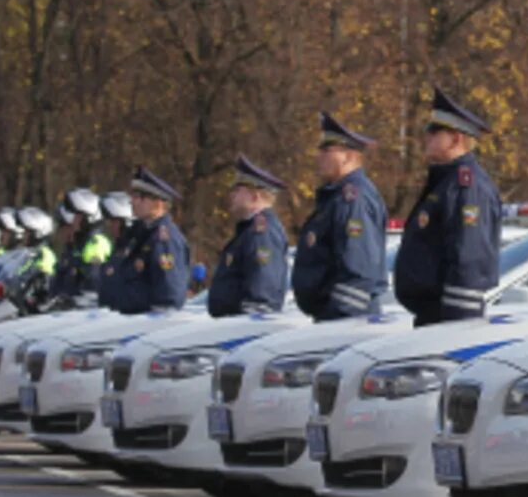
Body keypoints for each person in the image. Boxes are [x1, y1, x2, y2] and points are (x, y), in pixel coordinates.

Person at [393, 90, 501, 327]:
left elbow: (469, 258)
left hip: (450, 318)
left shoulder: (467, 186)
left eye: (434, 132)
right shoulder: (445, 183)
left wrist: (455, 327)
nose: (426, 138)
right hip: (433, 316)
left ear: (455, 139)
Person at [292, 112, 388, 321]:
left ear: (349, 156)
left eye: (327, 151)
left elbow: (359, 269)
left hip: (347, 318)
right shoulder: (335, 198)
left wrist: (340, 318)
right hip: (333, 317)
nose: (319, 157)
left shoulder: (353, 199)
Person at [209, 155, 290, 317]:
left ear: (255, 197)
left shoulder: (262, 233)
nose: (232, 195)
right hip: (234, 324)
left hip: (244, 328)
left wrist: (247, 326)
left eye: (237, 190)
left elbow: (262, 289)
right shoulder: (248, 231)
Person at [102, 167, 190, 315]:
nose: (132, 201)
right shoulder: (139, 236)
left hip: (144, 327)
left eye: (139, 197)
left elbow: (168, 297)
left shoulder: (164, 240)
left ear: (158, 203)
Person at [50, 188, 114, 306]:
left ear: (89, 218)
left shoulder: (96, 243)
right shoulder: (77, 246)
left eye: (78, 217)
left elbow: (92, 284)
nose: (74, 220)